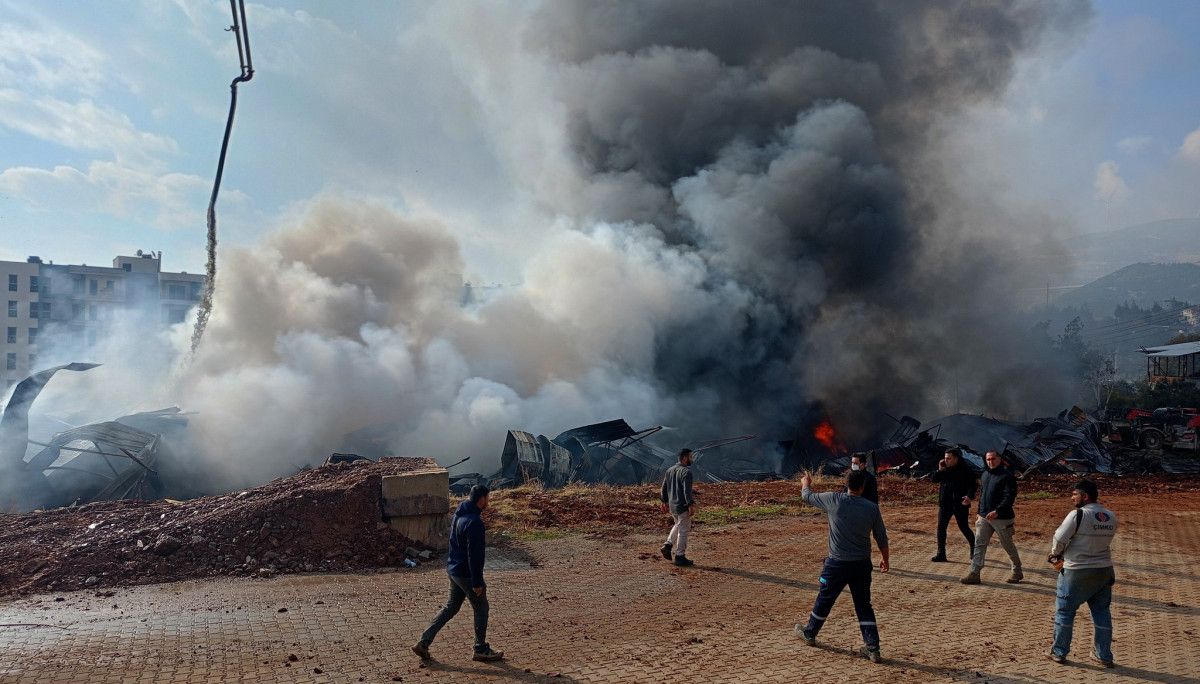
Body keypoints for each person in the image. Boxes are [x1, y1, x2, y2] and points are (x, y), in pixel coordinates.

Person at [796, 469, 890, 663]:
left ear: (846, 484)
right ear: (863, 487)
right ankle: (873, 648)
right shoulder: (872, 508)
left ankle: (810, 633)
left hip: (837, 564)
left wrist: (806, 482)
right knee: (864, 605)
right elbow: (881, 536)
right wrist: (885, 558)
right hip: (862, 565)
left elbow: (807, 496)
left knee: (825, 598)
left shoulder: (833, 500)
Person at [412, 485, 504, 662]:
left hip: (453, 570)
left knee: (451, 607)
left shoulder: (458, 514)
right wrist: (477, 582)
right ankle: (480, 649)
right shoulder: (475, 523)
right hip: (466, 574)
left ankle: (423, 642)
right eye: (488, 498)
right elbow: (475, 556)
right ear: (482, 499)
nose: (489, 501)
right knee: (481, 608)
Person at [1047, 480, 1118, 667]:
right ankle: (1103, 655)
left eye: (1074, 494)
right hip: (1104, 570)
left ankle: (1059, 651)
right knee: (1102, 612)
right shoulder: (1110, 516)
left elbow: (1059, 537)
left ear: (1085, 496)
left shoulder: (1077, 514)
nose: (1072, 497)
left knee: (1065, 612)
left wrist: (1055, 553)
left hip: (1076, 570)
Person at [962, 451, 1022, 585]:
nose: (990, 461)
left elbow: (1009, 497)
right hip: (984, 517)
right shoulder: (985, 474)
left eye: (993, 459)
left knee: (1007, 545)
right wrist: (979, 512)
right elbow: (983, 494)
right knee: (979, 545)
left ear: (1000, 459)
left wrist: (997, 511)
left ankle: (1017, 571)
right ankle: (974, 573)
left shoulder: (1007, 476)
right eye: (988, 459)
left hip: (1002, 518)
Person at [929, 448, 977, 562]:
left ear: (956, 458)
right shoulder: (944, 469)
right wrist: (940, 470)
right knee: (941, 528)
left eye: (949, 458)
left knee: (964, 527)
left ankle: (974, 550)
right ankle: (941, 554)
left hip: (960, 503)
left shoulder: (966, 470)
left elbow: (973, 486)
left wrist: (969, 497)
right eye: (945, 458)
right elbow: (933, 479)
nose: (946, 460)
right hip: (945, 503)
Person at [660, 448, 697, 567]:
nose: (692, 459)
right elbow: (687, 491)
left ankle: (668, 545)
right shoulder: (686, 472)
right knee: (683, 530)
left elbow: (664, 487)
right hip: (682, 506)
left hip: (672, 505)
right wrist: (690, 504)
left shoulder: (669, 470)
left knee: (678, 524)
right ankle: (680, 556)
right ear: (685, 458)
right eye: (691, 457)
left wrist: (664, 501)